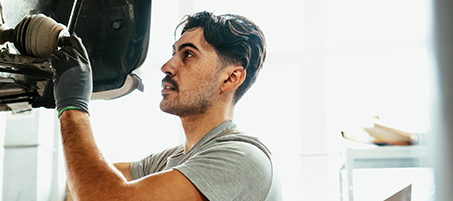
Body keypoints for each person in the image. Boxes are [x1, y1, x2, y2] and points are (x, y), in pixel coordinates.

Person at [49, 11, 281, 200]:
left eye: (188, 55)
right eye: (173, 53)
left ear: (231, 78)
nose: (167, 66)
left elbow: (105, 197)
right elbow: (81, 181)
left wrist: (73, 107)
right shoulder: (174, 159)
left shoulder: (241, 159)